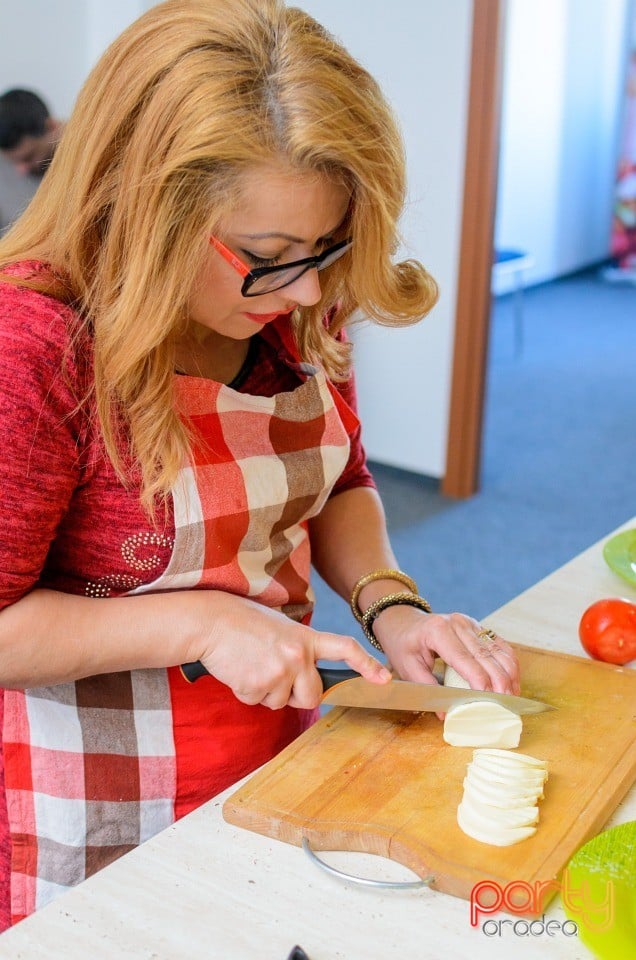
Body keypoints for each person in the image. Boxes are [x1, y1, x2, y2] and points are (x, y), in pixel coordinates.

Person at [0, 0, 520, 929]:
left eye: (328, 249)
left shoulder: (297, 302)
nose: (311, 291)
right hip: (92, 805)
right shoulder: (36, 348)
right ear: (145, 213)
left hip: (278, 749)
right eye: (272, 259)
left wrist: (389, 603)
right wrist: (200, 623)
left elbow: (343, 482)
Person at [0, 88, 63, 234]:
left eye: (29, 157)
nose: (21, 169)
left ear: (52, 127)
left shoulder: (89, 158)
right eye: (12, 162)